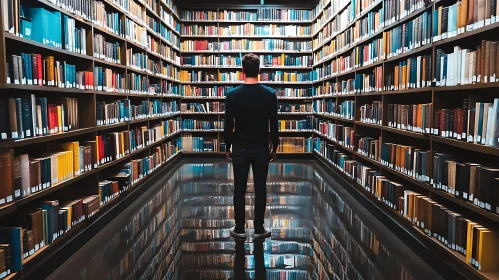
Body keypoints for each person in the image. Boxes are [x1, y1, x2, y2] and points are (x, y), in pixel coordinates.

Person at [224, 53, 279, 239]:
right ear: (260, 71)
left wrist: (228, 146)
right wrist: (275, 146)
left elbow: (228, 124)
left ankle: (239, 228)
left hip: (239, 147)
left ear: (242, 71)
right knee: (260, 187)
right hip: (261, 147)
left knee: (239, 187)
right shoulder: (269, 94)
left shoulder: (232, 95)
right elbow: (274, 123)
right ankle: (259, 228)